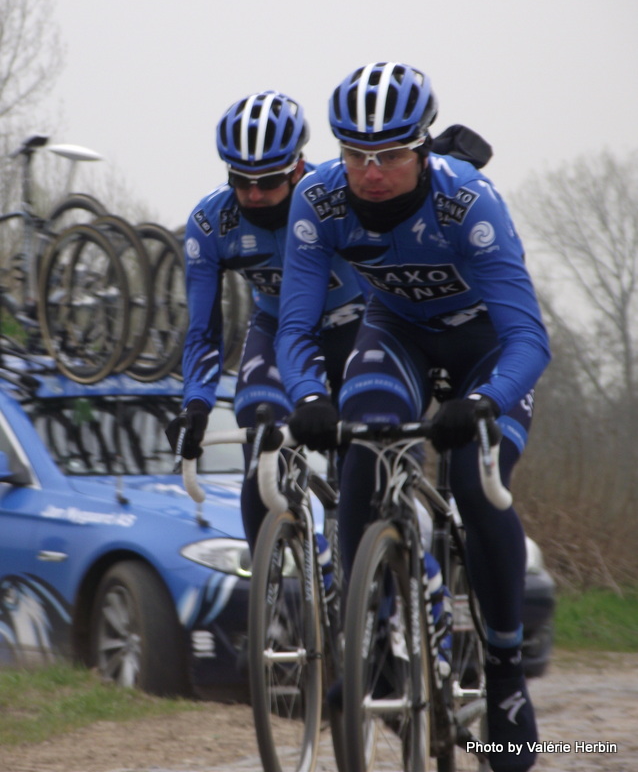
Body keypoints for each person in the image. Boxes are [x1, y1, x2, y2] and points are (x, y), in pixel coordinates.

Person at [275, 62, 551, 772]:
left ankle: (505, 672)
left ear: (422, 147)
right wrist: (307, 395)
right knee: (362, 445)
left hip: (488, 348)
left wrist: (485, 403)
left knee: (469, 475)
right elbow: (296, 324)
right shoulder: (319, 199)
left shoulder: (470, 204)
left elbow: (528, 337)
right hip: (395, 333)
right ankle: (365, 646)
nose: (371, 172)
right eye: (356, 154)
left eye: (391, 154)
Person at [166, 90, 365, 554]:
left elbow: (389, 178)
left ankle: (392, 579)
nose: (254, 194)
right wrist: (195, 405)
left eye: (270, 180)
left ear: (298, 166)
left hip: (357, 327)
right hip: (276, 332)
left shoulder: (338, 197)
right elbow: (203, 330)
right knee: (260, 452)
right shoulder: (213, 222)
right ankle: (283, 588)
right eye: (241, 179)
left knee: (366, 468)